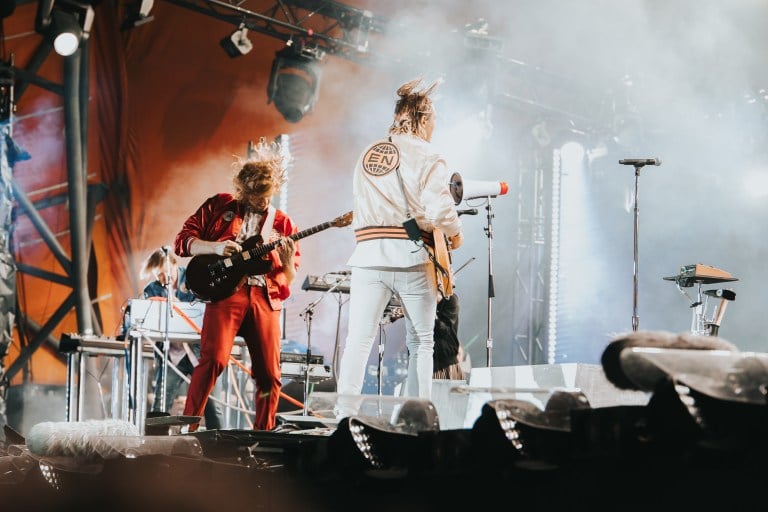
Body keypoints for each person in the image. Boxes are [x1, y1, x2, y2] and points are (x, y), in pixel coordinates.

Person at [336, 77, 463, 410]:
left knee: (358, 341)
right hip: (411, 254)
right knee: (421, 341)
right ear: (422, 119)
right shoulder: (429, 154)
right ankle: (419, 414)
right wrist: (456, 232)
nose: (434, 128)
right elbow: (438, 210)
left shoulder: (368, 152)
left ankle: (344, 413)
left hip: (366, 256)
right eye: (433, 121)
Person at [174, 140, 299, 432]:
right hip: (225, 293)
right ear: (244, 191)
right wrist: (215, 249)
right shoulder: (220, 205)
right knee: (214, 360)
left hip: (264, 297)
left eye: (267, 195)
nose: (262, 202)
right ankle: (188, 427)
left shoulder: (282, 223)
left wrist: (289, 262)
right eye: (256, 196)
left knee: (269, 374)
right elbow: (182, 242)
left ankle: (263, 435)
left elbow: (287, 280)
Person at [139, 247, 226, 430]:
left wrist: (180, 308)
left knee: (213, 404)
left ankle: (220, 447)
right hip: (172, 356)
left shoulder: (194, 278)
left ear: (174, 265)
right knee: (160, 402)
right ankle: (155, 444)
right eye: (159, 276)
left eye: (166, 273)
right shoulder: (152, 289)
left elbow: (207, 309)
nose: (163, 279)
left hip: (199, 353)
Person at [432, 293, 467, 380]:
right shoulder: (419, 300)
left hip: (444, 365)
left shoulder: (450, 299)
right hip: (425, 361)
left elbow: (443, 329)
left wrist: (428, 309)